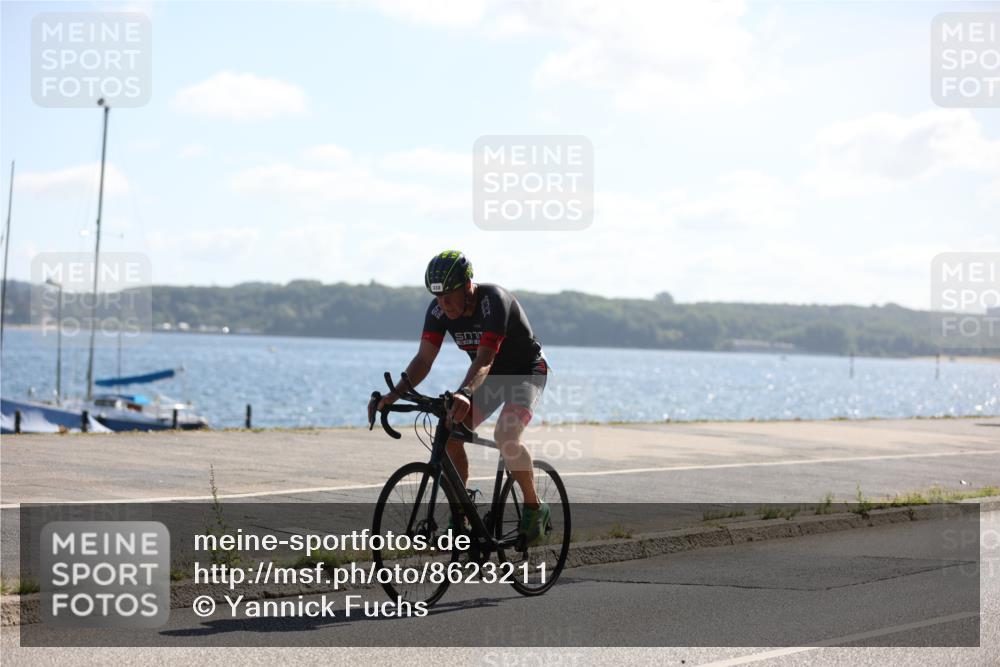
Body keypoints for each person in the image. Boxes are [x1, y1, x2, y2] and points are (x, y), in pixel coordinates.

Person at [369, 250, 550, 545]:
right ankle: (462, 513)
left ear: (467, 286)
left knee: (506, 436)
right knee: (451, 434)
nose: (443, 304)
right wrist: (393, 395)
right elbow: (423, 360)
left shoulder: (494, 301)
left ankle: (534, 507)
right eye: (437, 297)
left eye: (449, 295)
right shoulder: (438, 311)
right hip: (488, 378)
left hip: (525, 372)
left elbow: (485, 359)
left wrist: (465, 392)